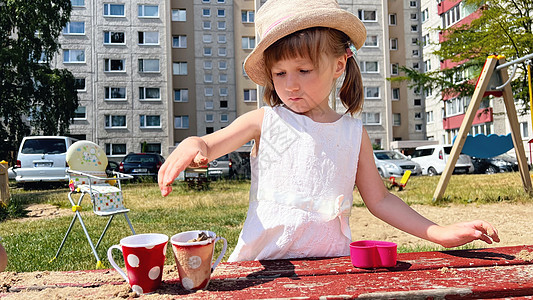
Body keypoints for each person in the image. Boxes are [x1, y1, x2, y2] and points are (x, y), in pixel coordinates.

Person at [158, 0, 499, 262]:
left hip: (330, 263)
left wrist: (439, 233)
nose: (290, 85)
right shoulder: (265, 120)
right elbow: (209, 143)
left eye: (303, 70)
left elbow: (379, 199)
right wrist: (194, 145)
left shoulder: (353, 133)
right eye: (279, 74)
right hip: (262, 264)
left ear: (338, 65)